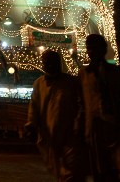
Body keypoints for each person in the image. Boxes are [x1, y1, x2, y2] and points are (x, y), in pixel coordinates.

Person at [79, 33, 120, 182]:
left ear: (104, 49)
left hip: (118, 126)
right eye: (89, 48)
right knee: (101, 170)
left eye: (96, 47)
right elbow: (82, 102)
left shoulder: (118, 72)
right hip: (95, 128)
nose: (92, 51)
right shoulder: (84, 74)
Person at [25, 49, 86, 182]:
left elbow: (81, 104)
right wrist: (31, 125)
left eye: (52, 61)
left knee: (71, 171)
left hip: (70, 134)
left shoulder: (71, 82)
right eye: (46, 62)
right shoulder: (39, 83)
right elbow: (34, 106)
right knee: (58, 169)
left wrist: (78, 123)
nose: (49, 64)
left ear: (59, 63)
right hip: (49, 135)